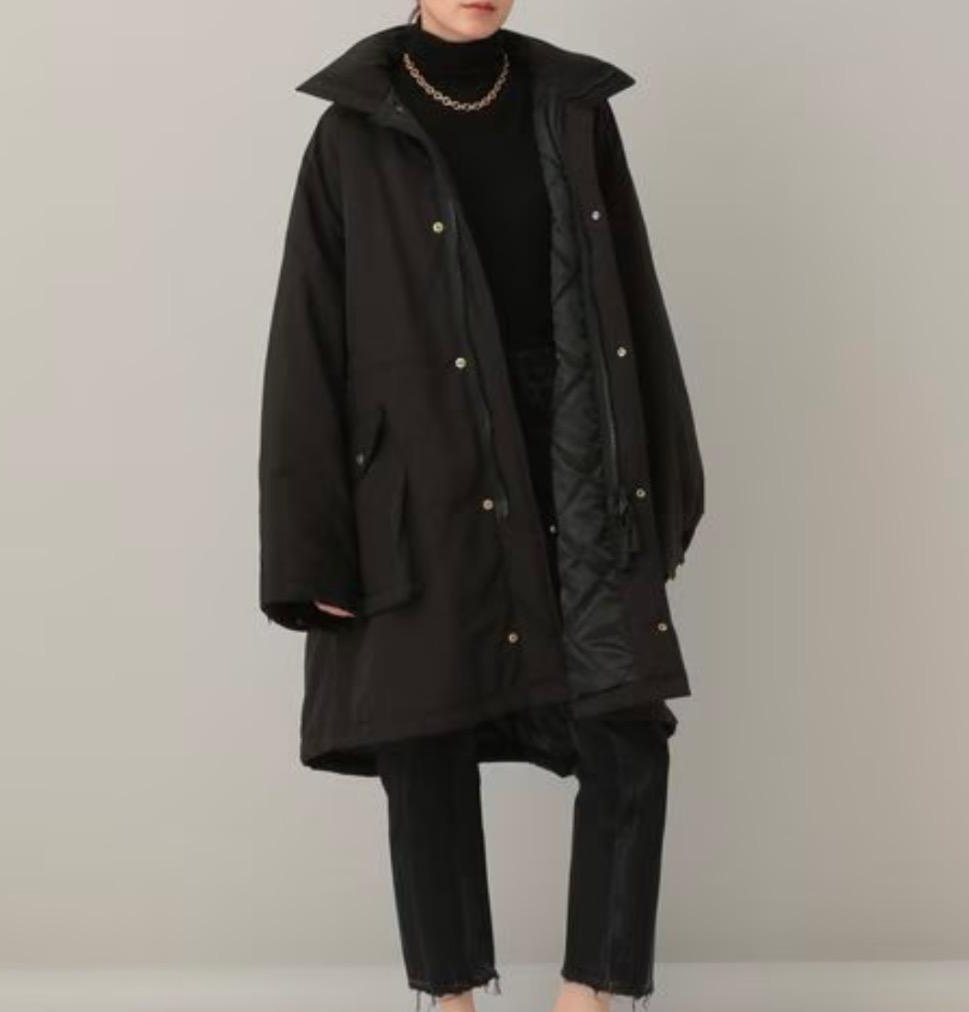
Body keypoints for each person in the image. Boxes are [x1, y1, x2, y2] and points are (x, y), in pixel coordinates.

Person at [258, 2, 705, 1009]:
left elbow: (633, 298)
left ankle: (588, 996)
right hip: (420, 471)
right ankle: (450, 998)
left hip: (571, 453)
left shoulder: (574, 109)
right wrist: (309, 547)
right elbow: (306, 340)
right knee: (424, 735)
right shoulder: (349, 134)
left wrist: (667, 482)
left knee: (626, 725)